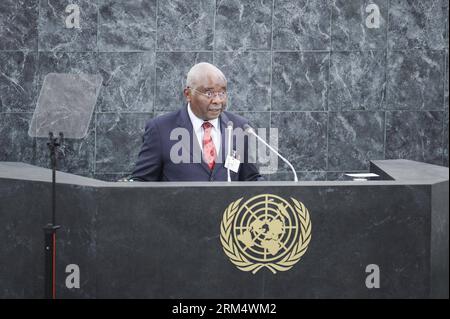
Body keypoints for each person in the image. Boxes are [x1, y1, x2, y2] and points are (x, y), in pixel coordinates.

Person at [131, 62, 263, 182]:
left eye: (222, 93)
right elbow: (142, 181)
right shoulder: (160, 129)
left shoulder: (240, 127)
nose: (218, 100)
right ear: (188, 94)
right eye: (209, 93)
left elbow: (250, 178)